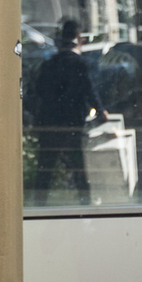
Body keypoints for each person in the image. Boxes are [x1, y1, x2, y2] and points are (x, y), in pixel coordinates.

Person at [26, 18, 97, 202]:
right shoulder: (79, 64)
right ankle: (85, 203)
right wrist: (100, 110)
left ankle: (39, 205)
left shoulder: (49, 65)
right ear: (79, 39)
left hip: (49, 123)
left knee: (45, 168)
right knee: (78, 167)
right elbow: (88, 90)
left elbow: (38, 91)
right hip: (71, 124)